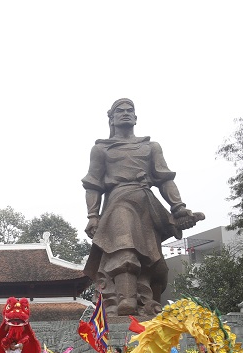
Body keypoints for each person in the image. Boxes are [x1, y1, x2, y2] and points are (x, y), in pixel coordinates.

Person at [82, 98, 203, 318]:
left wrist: (178, 207)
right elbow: (93, 184)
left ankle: (147, 302)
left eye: (130, 110)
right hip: (119, 200)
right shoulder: (101, 149)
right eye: (120, 111)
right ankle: (125, 299)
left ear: (136, 117)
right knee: (124, 248)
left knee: (153, 262)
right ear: (112, 118)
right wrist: (92, 216)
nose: (126, 113)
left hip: (147, 204)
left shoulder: (151, 147)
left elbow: (164, 179)